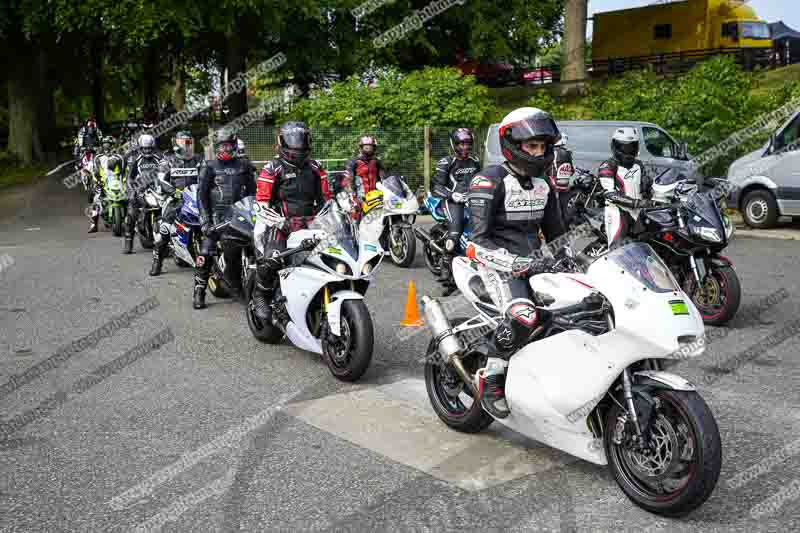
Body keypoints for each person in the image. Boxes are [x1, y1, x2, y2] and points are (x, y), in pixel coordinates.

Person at [465, 107, 567, 419]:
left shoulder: (544, 184)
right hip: (496, 264)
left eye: (542, 147)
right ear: (512, 144)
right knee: (524, 316)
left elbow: (557, 236)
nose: (538, 153)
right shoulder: (489, 180)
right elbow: (476, 243)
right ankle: (492, 376)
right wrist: (517, 264)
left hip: (536, 264)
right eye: (531, 146)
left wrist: (573, 260)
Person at [250, 121, 339, 321]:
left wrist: (337, 218)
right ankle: (260, 295)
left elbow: (327, 200)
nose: (298, 146)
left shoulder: (316, 167)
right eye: (293, 141)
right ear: (282, 142)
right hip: (279, 224)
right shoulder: (272, 169)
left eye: (301, 140)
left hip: (311, 223)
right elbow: (261, 205)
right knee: (272, 258)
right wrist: (282, 222)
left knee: (333, 254)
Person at [193, 129, 256, 309]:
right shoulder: (209, 166)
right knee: (205, 253)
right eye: (222, 145)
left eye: (229, 145)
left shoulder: (244, 165)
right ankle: (199, 290)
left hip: (240, 216)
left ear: (235, 146)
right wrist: (205, 220)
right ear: (217, 147)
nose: (226, 149)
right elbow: (201, 195)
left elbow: (254, 193)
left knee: (256, 247)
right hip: (216, 218)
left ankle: (248, 285)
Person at [431, 128, 482, 295]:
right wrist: (453, 195)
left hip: (472, 200)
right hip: (452, 201)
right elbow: (436, 187)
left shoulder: (475, 160)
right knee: (455, 232)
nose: (464, 147)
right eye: (461, 143)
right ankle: (446, 270)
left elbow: (481, 179)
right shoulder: (446, 162)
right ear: (454, 144)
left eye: (467, 143)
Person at [149, 131, 204, 276]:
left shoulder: (199, 160)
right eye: (184, 143)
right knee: (165, 228)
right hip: (175, 199)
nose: (187, 146)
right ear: (176, 144)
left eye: (189, 142)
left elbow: (208, 177)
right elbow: (161, 180)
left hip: (196, 198)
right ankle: (157, 260)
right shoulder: (167, 162)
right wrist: (173, 191)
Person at [597, 127, 654, 249]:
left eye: (632, 147)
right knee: (617, 250)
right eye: (624, 147)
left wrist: (648, 189)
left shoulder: (638, 164)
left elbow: (646, 189)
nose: (628, 151)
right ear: (615, 147)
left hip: (638, 211)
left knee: (645, 247)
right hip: (617, 212)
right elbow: (611, 195)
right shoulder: (607, 166)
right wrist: (636, 203)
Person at [123, 133, 164, 254]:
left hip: (158, 190)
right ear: (140, 148)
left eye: (149, 148)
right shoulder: (136, 160)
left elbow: (167, 171)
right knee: (131, 213)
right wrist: (132, 189)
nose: (147, 150)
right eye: (145, 148)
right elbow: (130, 177)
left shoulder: (159, 158)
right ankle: (128, 241)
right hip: (141, 191)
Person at [87, 136, 119, 233]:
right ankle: (94, 224)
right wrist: (96, 180)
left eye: (109, 144)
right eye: (105, 144)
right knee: (96, 201)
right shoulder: (98, 157)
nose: (107, 147)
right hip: (102, 181)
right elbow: (92, 170)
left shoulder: (118, 156)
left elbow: (124, 168)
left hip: (116, 181)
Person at [343, 135, 385, 203]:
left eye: (370, 146)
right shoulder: (353, 162)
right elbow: (347, 181)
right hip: (360, 197)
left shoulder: (377, 162)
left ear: (374, 148)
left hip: (376, 196)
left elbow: (383, 179)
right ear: (361, 147)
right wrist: (352, 196)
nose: (368, 148)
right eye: (366, 146)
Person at [551, 134, 576, 224]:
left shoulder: (550, 152)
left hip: (552, 185)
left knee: (553, 210)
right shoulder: (567, 153)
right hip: (564, 187)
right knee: (563, 209)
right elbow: (572, 171)